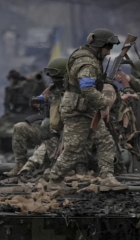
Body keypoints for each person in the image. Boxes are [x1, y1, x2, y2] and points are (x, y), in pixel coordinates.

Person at [49, 28, 123, 188]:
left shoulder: (89, 58)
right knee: (74, 150)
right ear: (98, 46)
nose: (109, 53)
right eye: (107, 48)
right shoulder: (87, 62)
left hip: (87, 109)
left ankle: (107, 178)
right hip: (77, 111)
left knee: (105, 141)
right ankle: (54, 179)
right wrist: (103, 105)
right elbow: (87, 88)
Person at [14, 57, 67, 176]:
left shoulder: (74, 91)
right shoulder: (52, 90)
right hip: (49, 130)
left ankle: (34, 165)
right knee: (20, 127)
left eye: (56, 77)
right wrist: (36, 102)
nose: (54, 80)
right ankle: (20, 165)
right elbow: (38, 100)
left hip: (66, 132)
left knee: (47, 129)